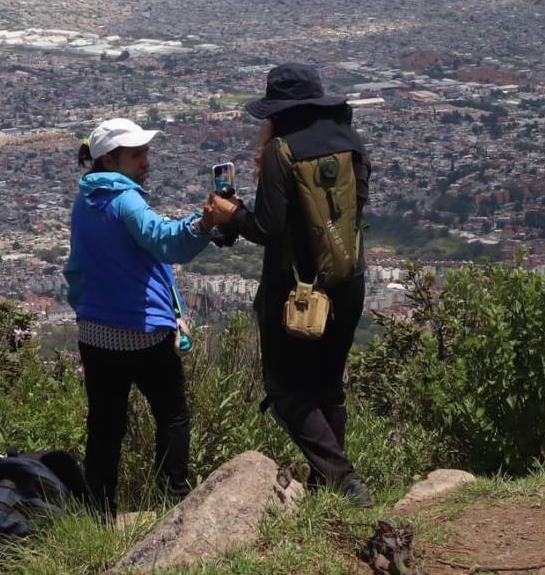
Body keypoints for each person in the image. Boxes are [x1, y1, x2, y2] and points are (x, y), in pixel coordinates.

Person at [207, 64, 372, 506]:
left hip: (296, 292)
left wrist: (231, 213)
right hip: (348, 280)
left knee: (285, 390)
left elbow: (267, 227)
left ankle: (343, 480)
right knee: (328, 386)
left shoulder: (282, 152)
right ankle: (329, 491)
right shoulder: (351, 142)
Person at [64, 117, 216, 515]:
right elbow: (166, 243)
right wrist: (204, 222)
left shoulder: (84, 201)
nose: (145, 161)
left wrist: (86, 309)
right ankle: (172, 498)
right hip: (141, 332)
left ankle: (97, 513)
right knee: (172, 414)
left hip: (95, 334)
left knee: (105, 427)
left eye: (145, 152)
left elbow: (75, 268)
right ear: (110, 160)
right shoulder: (126, 200)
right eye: (136, 155)